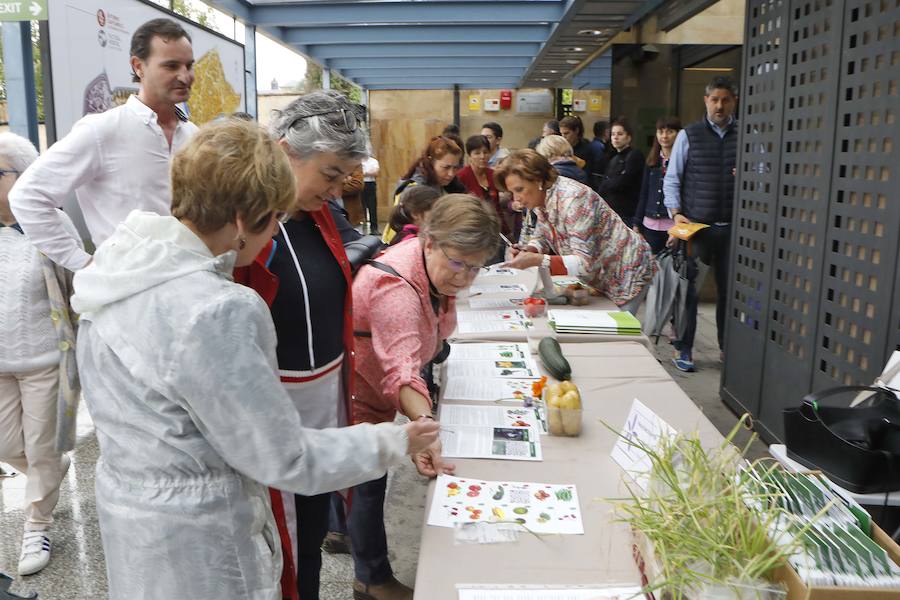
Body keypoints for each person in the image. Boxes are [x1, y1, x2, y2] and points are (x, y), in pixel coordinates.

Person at [70, 119, 440, 600]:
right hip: (202, 536)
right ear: (245, 221)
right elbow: (285, 458)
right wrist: (395, 441)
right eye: (276, 221)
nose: (275, 237)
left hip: (130, 512)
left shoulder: (117, 270)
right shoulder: (218, 309)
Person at [349, 195, 501, 600]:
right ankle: (370, 578)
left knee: (366, 482)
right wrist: (427, 430)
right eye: (458, 262)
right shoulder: (396, 286)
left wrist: (420, 425)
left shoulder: (433, 268)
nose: (466, 277)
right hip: (356, 398)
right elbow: (400, 370)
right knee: (366, 484)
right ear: (429, 241)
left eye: (475, 267)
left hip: (376, 396)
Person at [260, 91, 378, 600]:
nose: (337, 190)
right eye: (330, 175)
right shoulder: (250, 225)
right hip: (271, 412)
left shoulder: (319, 214)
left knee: (308, 532)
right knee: (278, 544)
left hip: (323, 401)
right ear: (288, 153)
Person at [9, 18, 198, 270]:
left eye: (188, 65)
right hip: (126, 295)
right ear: (138, 66)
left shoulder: (194, 136)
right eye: (171, 66)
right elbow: (26, 196)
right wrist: (84, 264)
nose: (184, 76)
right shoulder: (102, 131)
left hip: (190, 284)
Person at [0, 133, 80, 576]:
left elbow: (79, 287)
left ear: (23, 176)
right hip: (0, 366)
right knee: (9, 445)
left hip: (45, 361)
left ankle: (37, 524)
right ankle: (48, 471)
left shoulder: (51, 226)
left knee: (41, 447)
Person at [496, 150, 655, 315]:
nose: (516, 199)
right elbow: (543, 235)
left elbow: (584, 263)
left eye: (519, 190)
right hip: (603, 274)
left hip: (628, 271)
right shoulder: (542, 197)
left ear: (538, 180)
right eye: (512, 192)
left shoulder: (573, 199)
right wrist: (529, 249)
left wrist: (538, 260)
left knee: (619, 331)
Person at [664, 76, 739, 372]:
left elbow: (763, 175)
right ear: (706, 101)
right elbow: (673, 179)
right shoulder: (689, 135)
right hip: (697, 228)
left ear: (733, 101)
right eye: (714, 100)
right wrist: (675, 213)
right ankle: (684, 349)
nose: (719, 105)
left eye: (725, 100)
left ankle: (728, 349)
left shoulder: (747, 134)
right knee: (688, 293)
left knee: (731, 293)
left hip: (735, 229)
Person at [634, 116, 682, 253]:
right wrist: (637, 223)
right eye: (661, 132)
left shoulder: (682, 162)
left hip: (672, 225)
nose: (664, 136)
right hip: (650, 224)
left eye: (670, 132)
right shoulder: (652, 161)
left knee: (671, 270)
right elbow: (644, 193)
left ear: (679, 134)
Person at [598, 116, 645, 225]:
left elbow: (621, 182)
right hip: (612, 211)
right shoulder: (614, 157)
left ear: (629, 137)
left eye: (620, 134)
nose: (615, 137)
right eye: (613, 134)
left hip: (627, 213)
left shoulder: (634, 155)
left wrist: (608, 182)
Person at [559, 115, 599, 188]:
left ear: (576, 131)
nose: (563, 137)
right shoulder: (561, 148)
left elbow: (590, 173)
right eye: (561, 134)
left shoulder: (588, 149)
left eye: (567, 133)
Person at [362, 153, 381, 235]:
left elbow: (376, 173)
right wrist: (368, 172)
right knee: (361, 208)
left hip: (370, 184)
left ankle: (374, 229)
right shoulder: (358, 161)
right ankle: (362, 229)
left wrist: (363, 173)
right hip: (360, 184)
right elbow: (357, 173)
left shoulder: (373, 161)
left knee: (372, 207)